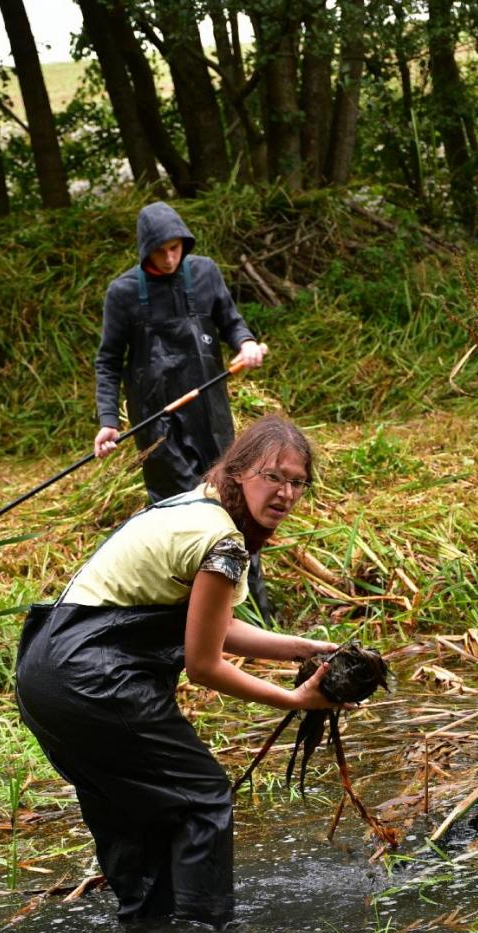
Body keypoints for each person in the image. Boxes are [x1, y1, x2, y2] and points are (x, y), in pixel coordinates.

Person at [16, 414, 336, 929]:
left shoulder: (191, 508)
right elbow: (204, 664)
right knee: (202, 798)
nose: (285, 494)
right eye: (272, 476)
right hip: (96, 678)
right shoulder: (224, 543)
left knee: (130, 815)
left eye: (297, 482)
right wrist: (295, 701)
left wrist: (304, 648)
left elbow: (210, 627)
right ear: (238, 474)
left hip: (45, 674)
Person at [92, 200, 272, 620]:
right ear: (145, 250)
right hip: (156, 424)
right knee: (180, 516)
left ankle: (258, 614)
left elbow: (231, 321)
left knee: (233, 506)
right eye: (161, 251)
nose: (171, 258)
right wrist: (107, 421)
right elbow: (107, 362)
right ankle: (187, 620)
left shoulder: (205, 272)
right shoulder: (122, 294)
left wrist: (244, 343)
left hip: (211, 414)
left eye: (176, 248)